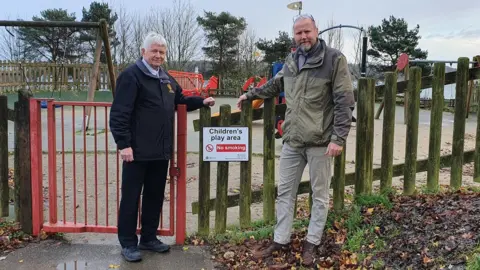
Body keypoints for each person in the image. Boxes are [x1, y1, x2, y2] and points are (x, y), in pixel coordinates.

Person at [236, 14, 355, 266]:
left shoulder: (334, 60)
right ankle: (280, 239)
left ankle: (312, 242)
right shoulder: (292, 61)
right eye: (299, 32)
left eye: (307, 31)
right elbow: (275, 85)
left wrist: (338, 138)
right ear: (294, 35)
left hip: (321, 142)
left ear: (316, 31)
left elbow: (345, 101)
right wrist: (250, 94)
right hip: (293, 140)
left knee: (319, 195)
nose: (303, 36)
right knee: (285, 194)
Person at [109, 32, 215, 262]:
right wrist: (123, 144)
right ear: (143, 52)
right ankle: (128, 243)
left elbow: (180, 100)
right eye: (154, 51)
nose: (158, 55)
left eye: (161, 52)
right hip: (136, 152)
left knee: (154, 196)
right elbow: (119, 113)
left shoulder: (165, 78)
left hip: (160, 151)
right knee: (131, 197)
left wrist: (201, 101)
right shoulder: (131, 76)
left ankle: (148, 237)